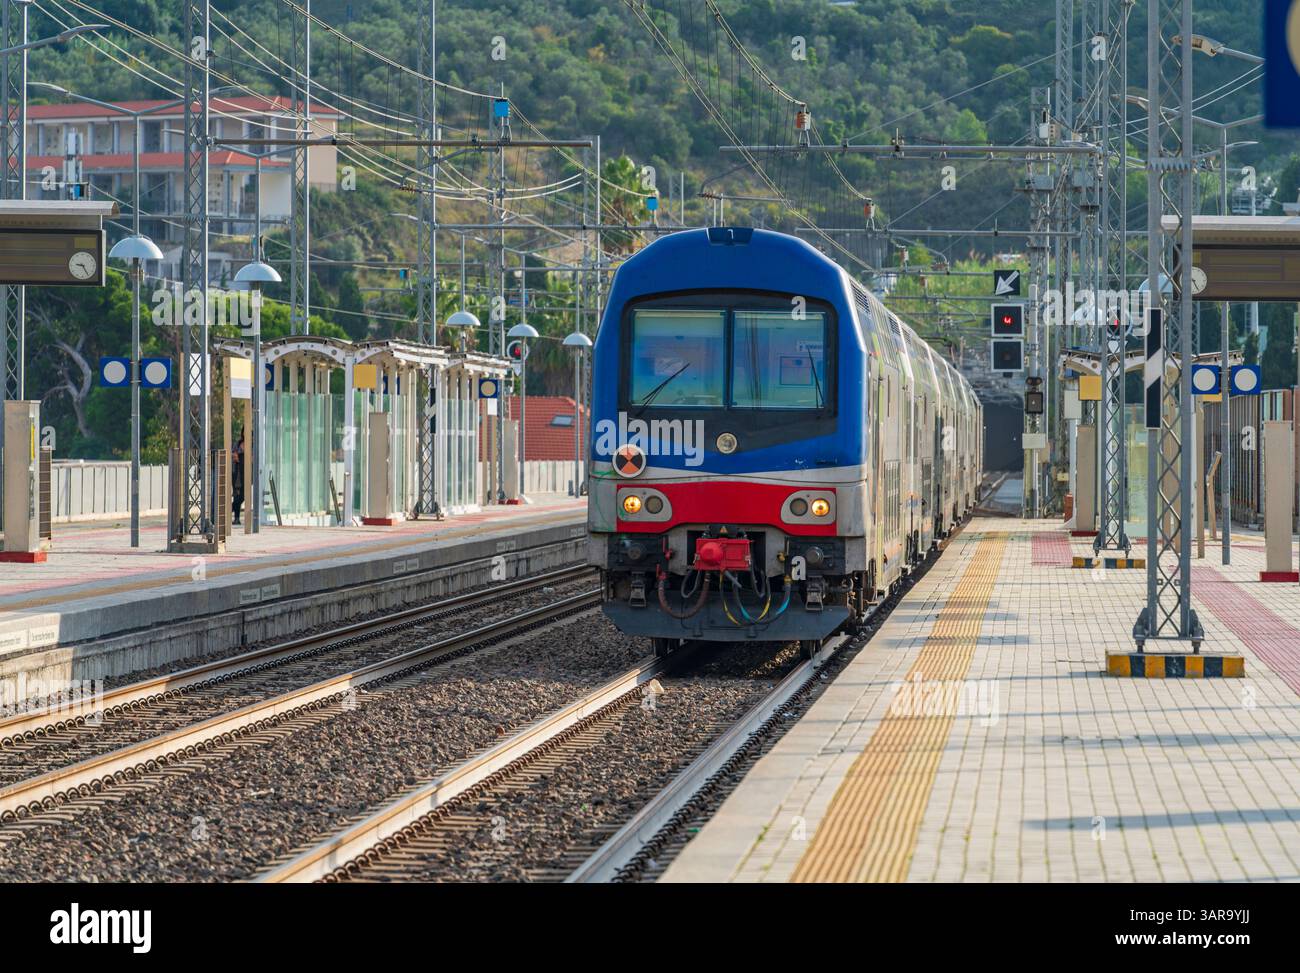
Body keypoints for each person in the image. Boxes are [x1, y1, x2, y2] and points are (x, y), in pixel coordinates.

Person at [232, 429, 246, 525]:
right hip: (237, 472)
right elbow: (233, 454)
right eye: (244, 431)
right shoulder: (238, 443)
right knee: (237, 495)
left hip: (247, 473)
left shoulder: (253, 444)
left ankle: (229, 508)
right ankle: (236, 518)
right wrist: (235, 456)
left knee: (242, 496)